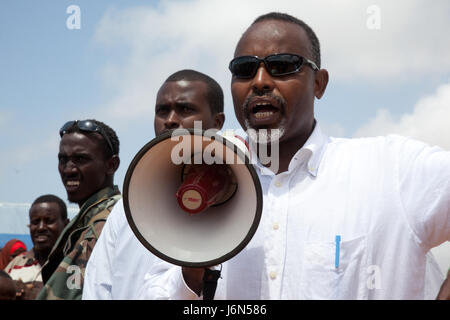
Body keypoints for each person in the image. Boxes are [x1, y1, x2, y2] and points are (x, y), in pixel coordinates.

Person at [140, 12, 450, 300]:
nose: (260, 81)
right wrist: (193, 266)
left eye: (282, 65)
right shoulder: (194, 191)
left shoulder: (390, 169)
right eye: (245, 69)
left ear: (319, 83)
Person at [82, 69, 225, 300]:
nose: (170, 120)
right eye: (162, 111)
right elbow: (98, 288)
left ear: (217, 122)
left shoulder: (243, 201)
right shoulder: (127, 208)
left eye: (185, 109)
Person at [36, 119, 121, 300]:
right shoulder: (90, 217)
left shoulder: (106, 221)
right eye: (63, 159)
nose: (69, 169)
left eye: (80, 159)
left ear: (111, 165)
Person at [4, 195, 69, 299]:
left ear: (66, 225)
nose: (41, 228)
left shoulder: (75, 263)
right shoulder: (16, 264)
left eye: (49, 221)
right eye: (35, 222)